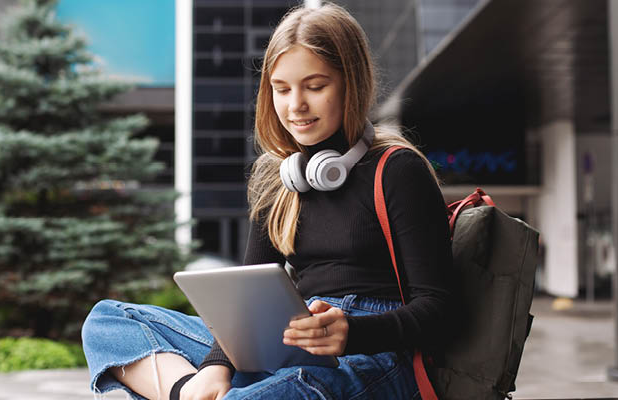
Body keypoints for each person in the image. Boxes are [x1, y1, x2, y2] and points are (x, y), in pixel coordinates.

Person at [81, 2, 455, 399]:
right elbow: (244, 302)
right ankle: (189, 394)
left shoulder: (396, 169)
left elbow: (439, 310)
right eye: (281, 89)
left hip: (375, 354)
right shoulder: (275, 177)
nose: (296, 105)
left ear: (352, 83)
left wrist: (352, 332)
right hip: (285, 334)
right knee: (109, 322)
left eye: (315, 86)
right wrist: (215, 366)